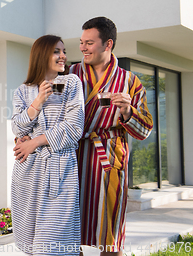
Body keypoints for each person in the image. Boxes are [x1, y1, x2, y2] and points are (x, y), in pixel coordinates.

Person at [71, 16, 153, 256]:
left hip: (107, 161)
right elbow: (49, 111)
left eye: (89, 42)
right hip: (72, 159)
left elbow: (145, 131)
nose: (82, 48)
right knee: (70, 230)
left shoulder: (130, 81)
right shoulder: (70, 74)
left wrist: (128, 111)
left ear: (108, 44)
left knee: (111, 233)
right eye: (81, 42)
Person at [11, 34, 84, 256]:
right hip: (28, 172)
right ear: (42, 55)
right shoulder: (22, 91)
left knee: (52, 246)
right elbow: (17, 128)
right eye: (56, 51)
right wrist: (38, 100)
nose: (63, 56)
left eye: (63, 51)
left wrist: (35, 141)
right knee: (31, 245)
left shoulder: (71, 83)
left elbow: (74, 127)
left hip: (60, 171)